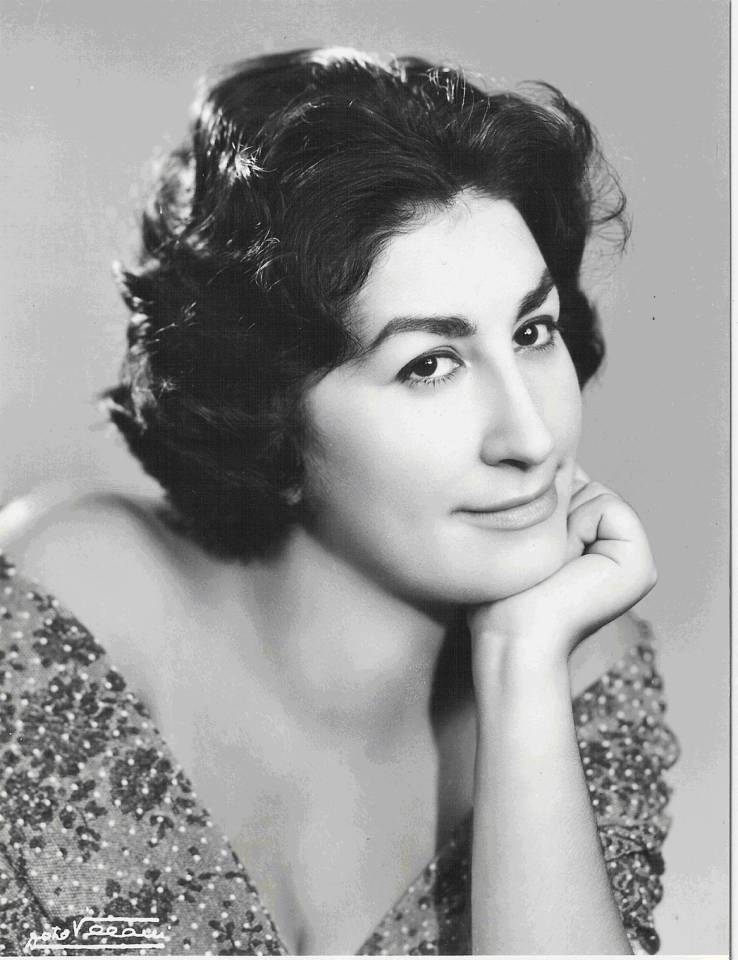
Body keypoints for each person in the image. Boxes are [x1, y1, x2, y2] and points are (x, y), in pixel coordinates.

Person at [0, 48, 678, 956]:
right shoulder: (75, 607)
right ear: (270, 414)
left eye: (532, 331)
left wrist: (521, 664)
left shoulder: (583, 670)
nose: (530, 436)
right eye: (428, 365)